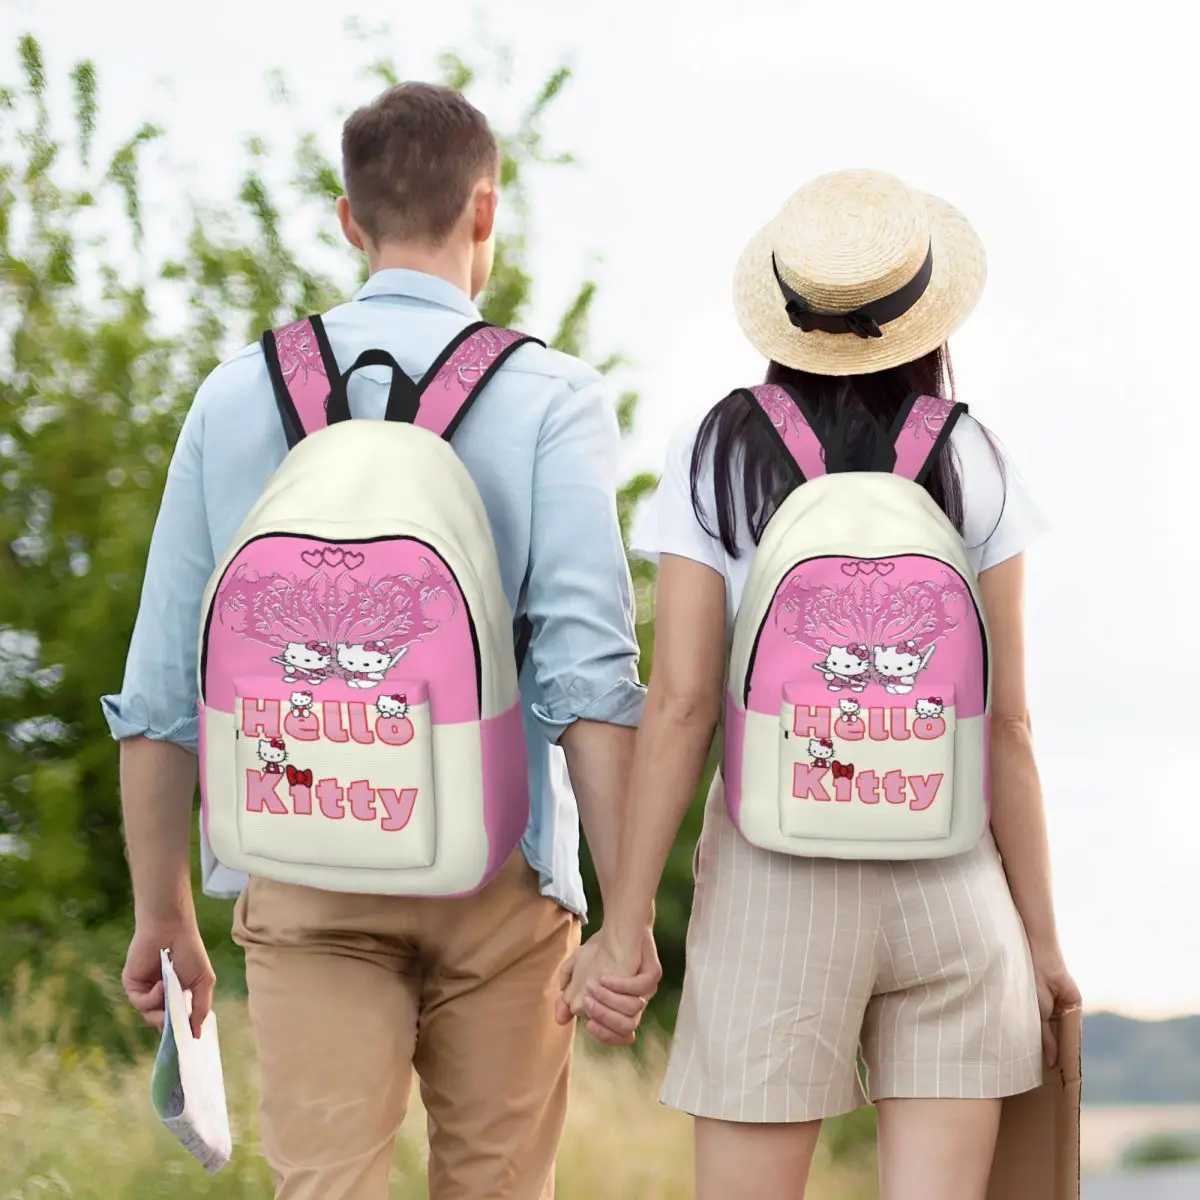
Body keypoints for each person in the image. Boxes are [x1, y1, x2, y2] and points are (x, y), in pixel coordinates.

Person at [105, 81, 661, 1200]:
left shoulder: (236, 395)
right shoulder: (550, 395)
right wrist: (628, 915)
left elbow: (164, 683)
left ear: (349, 219)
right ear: (486, 213)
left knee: (325, 1186)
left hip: (302, 858)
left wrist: (163, 910)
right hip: (500, 872)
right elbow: (589, 678)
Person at [560, 169, 1081, 1200]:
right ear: (924, 316)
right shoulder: (974, 456)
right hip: (952, 879)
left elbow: (682, 704)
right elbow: (1009, 724)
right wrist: (1043, 942)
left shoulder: (716, 452)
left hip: (774, 879)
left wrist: (624, 927)